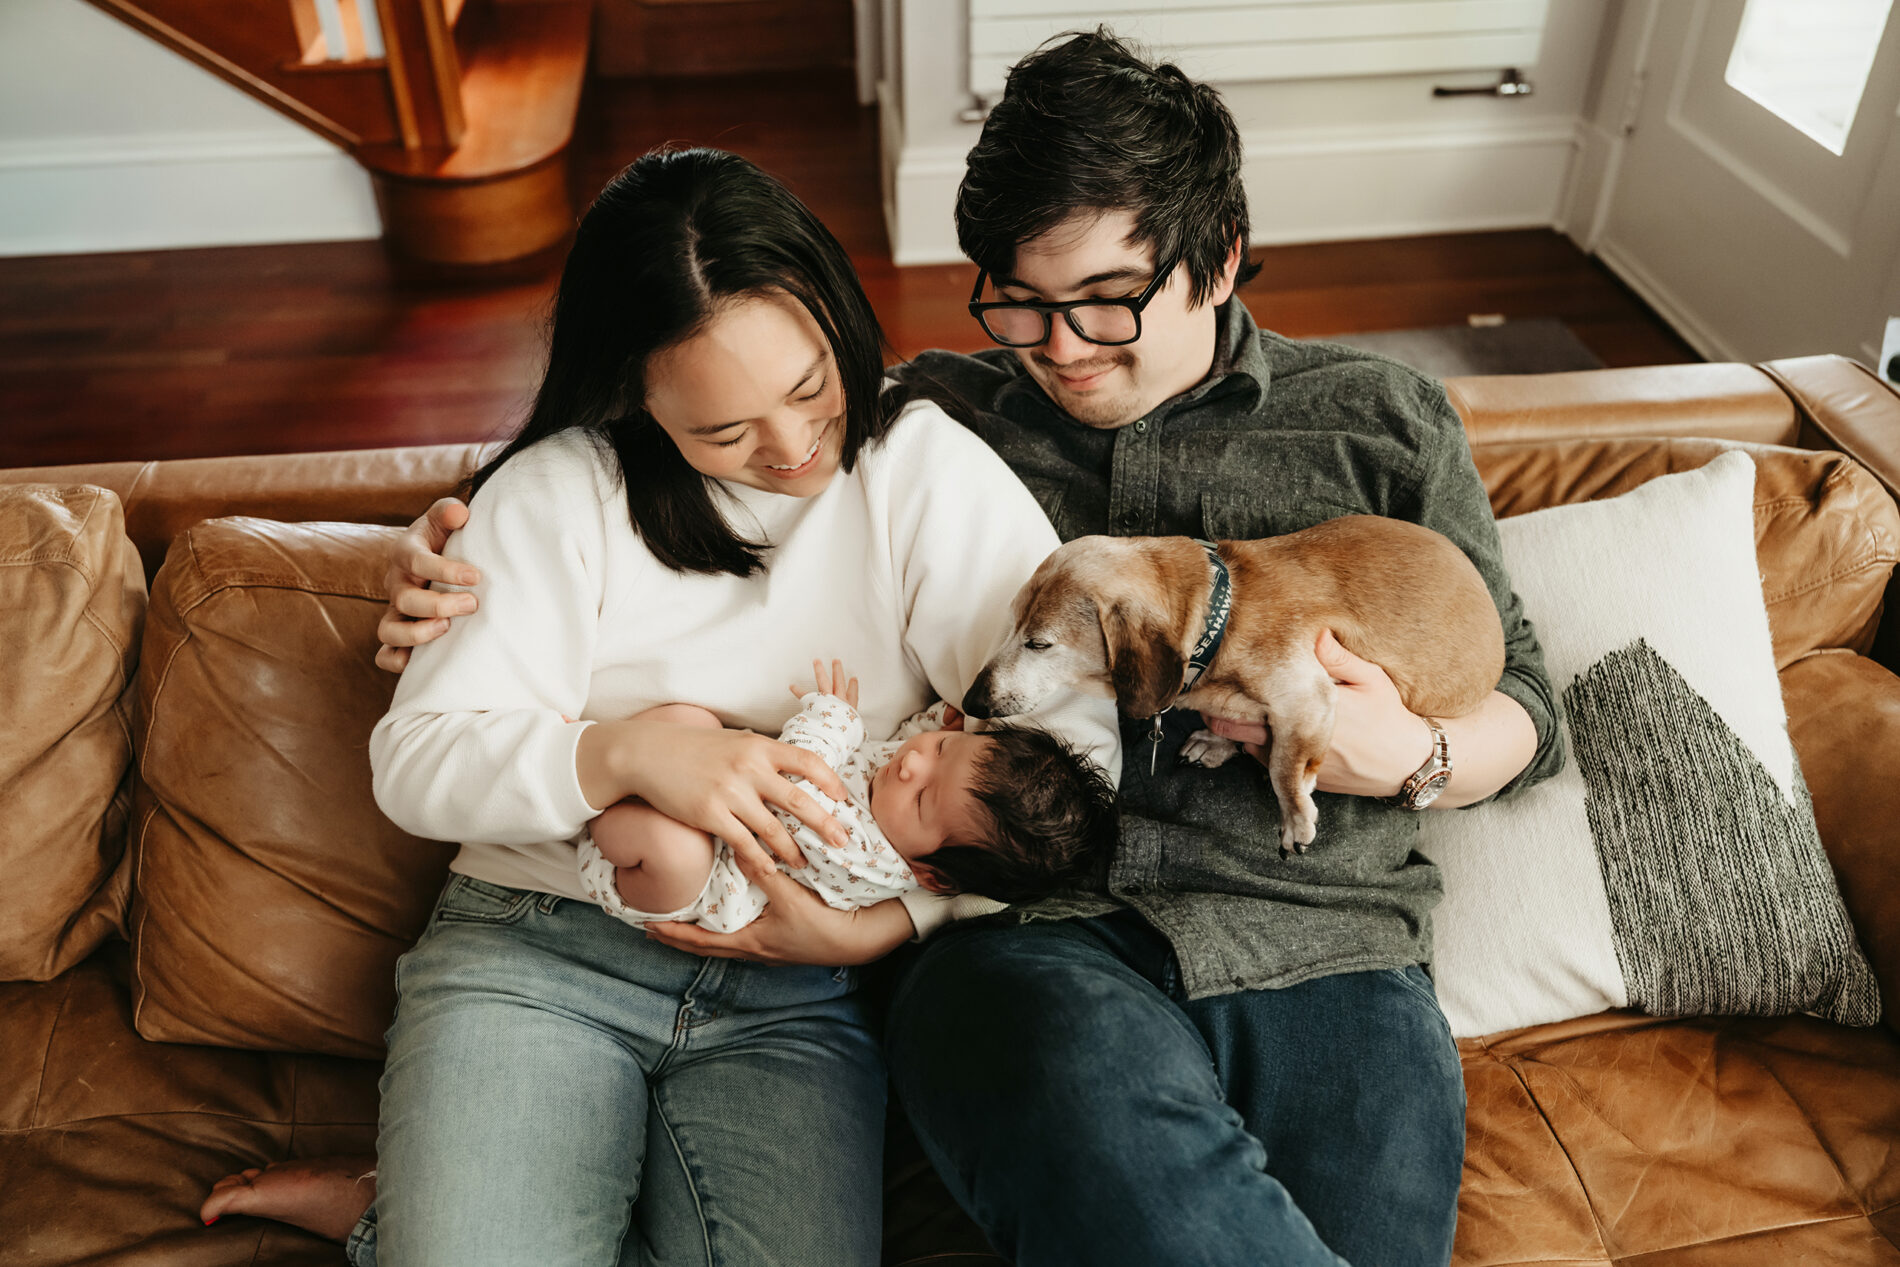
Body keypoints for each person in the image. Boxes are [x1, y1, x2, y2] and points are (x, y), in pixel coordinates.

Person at [266, 29, 1568, 1267]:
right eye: (1021, 305)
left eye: (1107, 304)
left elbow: (1523, 695)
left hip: (1317, 930)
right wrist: (466, 571)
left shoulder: (1370, 419)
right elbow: (638, 461)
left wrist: (1423, 751)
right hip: (1019, 935)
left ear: (1220, 258)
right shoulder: (943, 411)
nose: (1059, 349)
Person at [199, 145, 1119, 1265]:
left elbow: (1072, 762)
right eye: (726, 433)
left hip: (796, 993)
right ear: (632, 392)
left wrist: (884, 924)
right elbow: (420, 762)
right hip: (543, 950)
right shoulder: (560, 493)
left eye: (809, 384)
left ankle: (403, 1217)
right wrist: (626, 756)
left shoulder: (921, 472)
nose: (791, 451)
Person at [582, 659, 1119, 930]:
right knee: (689, 720)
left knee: (674, 851)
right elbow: (913, 744)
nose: (909, 765)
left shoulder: (868, 859)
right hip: (715, 800)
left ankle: (602, 812)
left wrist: (832, 720)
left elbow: (789, 791)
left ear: (929, 874)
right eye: (943, 750)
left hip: (697, 883)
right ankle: (611, 757)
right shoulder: (911, 791)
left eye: (923, 799)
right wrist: (937, 724)